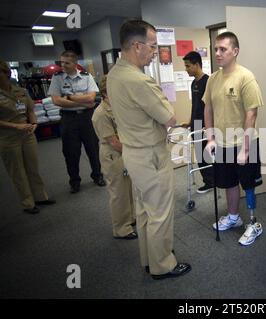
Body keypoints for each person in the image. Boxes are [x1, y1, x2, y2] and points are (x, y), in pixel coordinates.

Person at [107, 19, 191, 279]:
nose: (155, 51)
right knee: (160, 212)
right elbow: (170, 117)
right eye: (153, 46)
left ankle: (149, 258)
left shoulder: (114, 74)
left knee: (144, 210)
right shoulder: (139, 81)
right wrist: (165, 104)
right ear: (137, 46)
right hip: (150, 154)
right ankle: (163, 264)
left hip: (133, 152)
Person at [203, 32, 264, 246]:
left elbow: (251, 114)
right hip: (222, 143)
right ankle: (233, 217)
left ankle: (254, 223)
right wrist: (210, 138)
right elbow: (208, 108)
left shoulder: (246, 77)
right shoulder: (212, 79)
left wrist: (246, 149)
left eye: (223, 49)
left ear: (235, 51)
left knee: (248, 185)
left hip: (245, 143)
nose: (217, 53)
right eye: (216, 49)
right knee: (228, 183)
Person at [0, 60, 55, 214]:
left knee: (33, 167)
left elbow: (30, 110)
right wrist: (16, 126)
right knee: (18, 172)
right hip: (8, 137)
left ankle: (40, 196)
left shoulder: (21, 91)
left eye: (1, 72)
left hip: (27, 134)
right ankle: (28, 203)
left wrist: (34, 123)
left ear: (6, 73)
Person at [47, 50, 106, 194]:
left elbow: (91, 98)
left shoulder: (86, 77)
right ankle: (74, 181)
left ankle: (97, 175)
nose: (63, 65)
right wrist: (82, 102)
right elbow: (56, 100)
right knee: (70, 151)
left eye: (66, 63)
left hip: (87, 118)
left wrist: (68, 98)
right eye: (61, 62)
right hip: (68, 119)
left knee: (93, 148)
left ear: (75, 64)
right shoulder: (57, 78)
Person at [92, 76, 137, 240]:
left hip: (123, 151)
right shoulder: (101, 113)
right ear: (105, 92)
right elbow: (112, 141)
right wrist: (133, 151)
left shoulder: (117, 107)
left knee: (128, 188)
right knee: (118, 192)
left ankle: (130, 218)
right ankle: (121, 228)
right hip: (113, 154)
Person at [182, 51, 214, 194]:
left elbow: (212, 107)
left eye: (188, 66)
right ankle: (209, 181)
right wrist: (190, 122)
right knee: (200, 155)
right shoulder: (194, 83)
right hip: (195, 125)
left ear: (196, 64)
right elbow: (194, 105)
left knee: (207, 154)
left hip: (204, 126)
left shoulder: (208, 81)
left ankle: (211, 181)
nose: (186, 69)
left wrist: (207, 126)